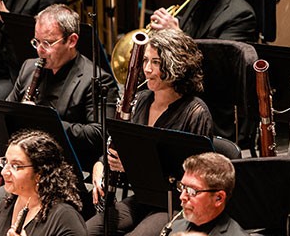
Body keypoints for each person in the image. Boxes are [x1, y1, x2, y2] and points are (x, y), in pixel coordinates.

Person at [0, 4, 118, 234]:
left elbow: (100, 135)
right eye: (36, 42)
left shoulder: (95, 80)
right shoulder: (28, 68)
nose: (39, 51)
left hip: (58, 171)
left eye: (47, 43)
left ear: (71, 40)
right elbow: (7, 114)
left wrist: (44, 120)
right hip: (19, 162)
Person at [87, 28, 213, 236]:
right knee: (86, 231)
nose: (146, 69)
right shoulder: (141, 100)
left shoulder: (195, 112)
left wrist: (133, 165)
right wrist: (101, 163)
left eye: (156, 62)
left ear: (176, 65)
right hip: (142, 198)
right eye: (145, 60)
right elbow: (121, 145)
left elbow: (196, 178)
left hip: (175, 204)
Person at [0, 129, 87, 236]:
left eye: (15, 166)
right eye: (5, 162)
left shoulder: (65, 218)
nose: (4, 172)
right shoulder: (5, 205)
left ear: (39, 173)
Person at [168, 152, 248, 236]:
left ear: (218, 198)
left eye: (192, 191)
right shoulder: (174, 227)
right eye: (182, 186)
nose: (182, 197)